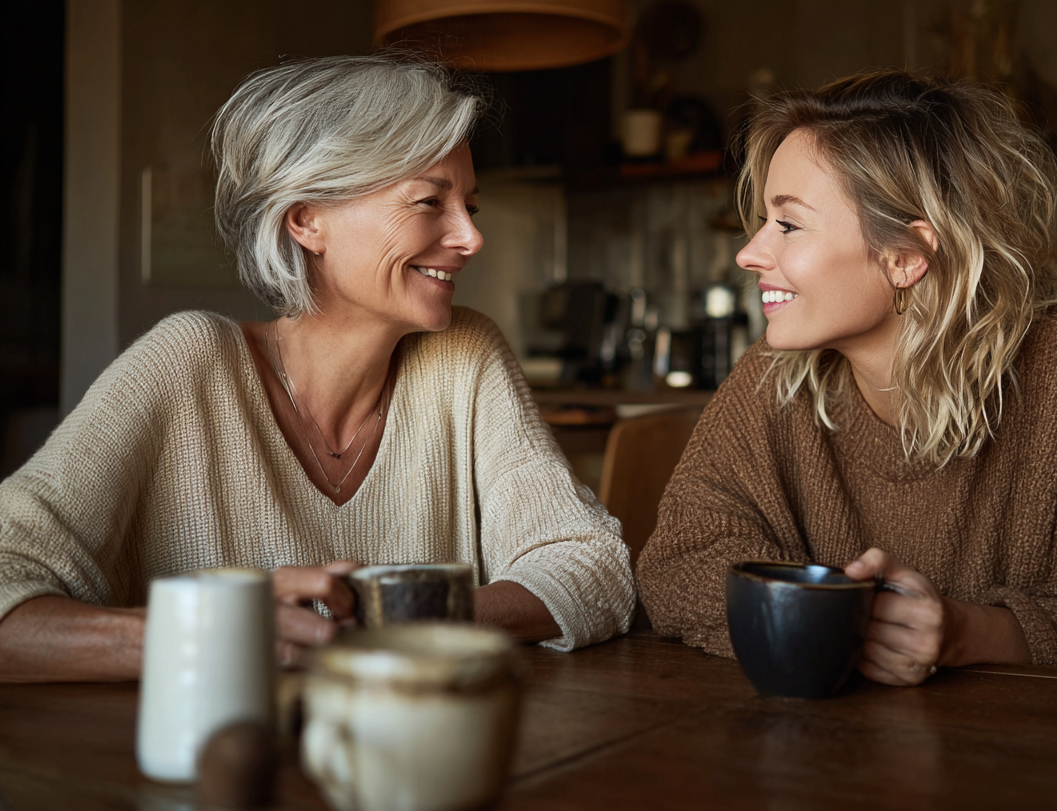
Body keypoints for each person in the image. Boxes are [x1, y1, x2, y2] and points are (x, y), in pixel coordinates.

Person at [0, 54, 634, 682]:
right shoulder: (185, 363)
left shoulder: (465, 356)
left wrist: (387, 616)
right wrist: (210, 631)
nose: (470, 237)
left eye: (471, 206)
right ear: (307, 220)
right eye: (428, 202)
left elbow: (595, 569)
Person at [637, 71, 1057, 685]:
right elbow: (676, 567)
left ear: (905, 257)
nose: (748, 253)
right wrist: (857, 625)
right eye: (765, 220)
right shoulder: (774, 372)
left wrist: (961, 632)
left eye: (788, 225)